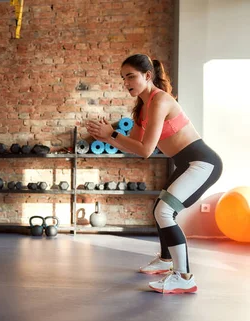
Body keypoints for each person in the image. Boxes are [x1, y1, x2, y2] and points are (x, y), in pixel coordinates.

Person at [86, 54, 222, 294]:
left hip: (202, 163)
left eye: (131, 76)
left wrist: (113, 135)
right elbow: (136, 148)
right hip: (185, 164)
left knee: (164, 211)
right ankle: (165, 259)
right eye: (123, 78)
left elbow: (147, 149)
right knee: (159, 208)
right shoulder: (142, 108)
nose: (126, 82)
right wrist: (108, 137)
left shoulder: (160, 101)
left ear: (147, 76)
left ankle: (184, 276)